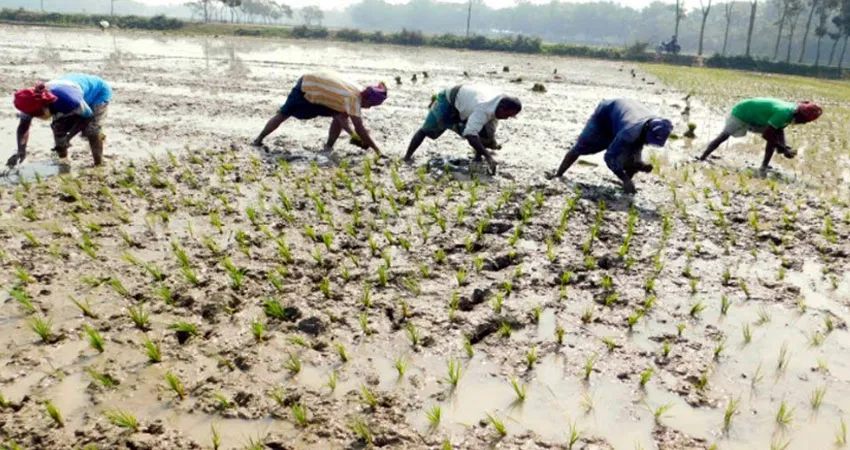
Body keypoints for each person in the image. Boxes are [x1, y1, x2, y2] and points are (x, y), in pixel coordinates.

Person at [545, 98, 673, 194]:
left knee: (632, 160)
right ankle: (558, 175)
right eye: (648, 140)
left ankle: (627, 188)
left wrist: (640, 165)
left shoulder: (653, 126)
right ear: (646, 130)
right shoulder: (630, 131)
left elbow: (635, 152)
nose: (648, 143)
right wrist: (623, 178)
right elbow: (609, 157)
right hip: (605, 115)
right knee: (581, 147)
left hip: (622, 119)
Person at [252, 71, 388, 156]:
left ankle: (328, 147)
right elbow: (360, 128)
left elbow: (343, 119)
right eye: (370, 105)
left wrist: (354, 136)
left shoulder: (358, 91)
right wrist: (377, 150)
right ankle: (258, 140)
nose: (369, 108)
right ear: (366, 98)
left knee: (340, 115)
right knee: (284, 114)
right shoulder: (354, 99)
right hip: (307, 87)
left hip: (320, 87)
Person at [404, 84, 522, 174]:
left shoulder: (496, 107)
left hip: (467, 106)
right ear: (501, 108)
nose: (506, 119)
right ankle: (407, 157)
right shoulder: (483, 109)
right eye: (507, 115)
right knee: (428, 130)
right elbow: (471, 135)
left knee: (486, 135)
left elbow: (486, 135)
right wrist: (489, 157)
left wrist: (487, 147)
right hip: (449, 100)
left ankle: (477, 160)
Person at [8, 73, 112, 168]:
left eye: (38, 114)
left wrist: (68, 137)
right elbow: (23, 128)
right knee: (58, 127)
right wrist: (21, 151)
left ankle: (98, 164)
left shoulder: (68, 99)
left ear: (45, 104)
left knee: (92, 130)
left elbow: (87, 117)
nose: (38, 117)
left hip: (97, 92)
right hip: (71, 91)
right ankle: (64, 162)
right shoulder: (30, 103)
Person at [699, 98, 822, 172]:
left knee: (774, 136)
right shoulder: (784, 113)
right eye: (805, 121)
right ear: (800, 115)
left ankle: (764, 166)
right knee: (724, 135)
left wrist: (783, 147)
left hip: (759, 117)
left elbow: (779, 130)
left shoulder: (791, 113)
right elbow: (767, 135)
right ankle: (702, 157)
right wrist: (783, 148)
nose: (804, 123)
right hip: (742, 112)